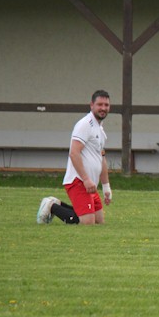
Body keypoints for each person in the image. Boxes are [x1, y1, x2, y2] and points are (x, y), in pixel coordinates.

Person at [36, 90, 113, 225]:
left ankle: (56, 203)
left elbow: (102, 159)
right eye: (99, 104)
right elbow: (74, 153)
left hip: (90, 184)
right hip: (79, 181)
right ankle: (51, 206)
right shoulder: (85, 124)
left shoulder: (100, 129)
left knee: (99, 221)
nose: (103, 108)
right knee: (88, 223)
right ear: (91, 105)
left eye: (106, 105)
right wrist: (86, 179)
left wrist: (106, 187)